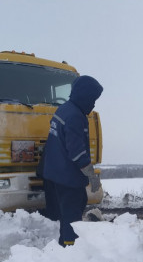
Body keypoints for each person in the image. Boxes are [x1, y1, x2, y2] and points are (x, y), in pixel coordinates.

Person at [42, 75, 103, 246]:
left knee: (68, 212)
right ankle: (70, 248)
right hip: (68, 177)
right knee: (72, 215)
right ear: (84, 96)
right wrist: (92, 176)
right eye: (92, 99)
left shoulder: (63, 109)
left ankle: (65, 243)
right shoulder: (75, 116)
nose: (93, 104)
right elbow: (77, 152)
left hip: (56, 174)